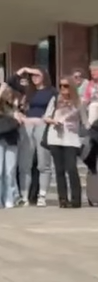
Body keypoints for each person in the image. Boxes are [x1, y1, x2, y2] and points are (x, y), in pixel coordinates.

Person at [16, 67, 55, 206]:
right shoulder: (28, 92)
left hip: (42, 125)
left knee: (43, 162)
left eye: (37, 75)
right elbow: (20, 107)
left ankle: (42, 195)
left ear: (44, 75)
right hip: (27, 125)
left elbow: (55, 108)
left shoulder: (52, 91)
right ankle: (24, 196)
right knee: (25, 163)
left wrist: (47, 118)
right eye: (32, 76)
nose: (34, 78)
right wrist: (20, 115)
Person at [43, 78, 83, 208]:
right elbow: (46, 117)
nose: (63, 89)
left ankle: (76, 200)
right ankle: (63, 199)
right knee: (59, 170)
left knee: (71, 168)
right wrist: (53, 121)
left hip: (71, 139)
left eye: (66, 86)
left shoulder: (77, 102)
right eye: (60, 86)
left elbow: (85, 120)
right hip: (55, 137)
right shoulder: (55, 100)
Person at [0, 80, 22, 208]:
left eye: (9, 91)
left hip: (12, 138)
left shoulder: (14, 106)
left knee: (10, 170)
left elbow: (19, 118)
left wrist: (16, 109)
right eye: (5, 91)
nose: (8, 93)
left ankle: (9, 197)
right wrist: (1, 89)